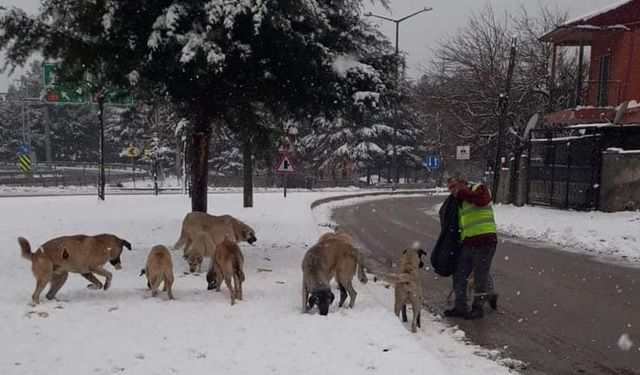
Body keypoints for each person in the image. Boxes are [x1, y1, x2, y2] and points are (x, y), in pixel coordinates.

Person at [444, 176, 498, 320]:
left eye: (454, 186)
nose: (452, 190)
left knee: (480, 277)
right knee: (459, 274)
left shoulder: (479, 189)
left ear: (463, 183)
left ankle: (478, 308)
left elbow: (482, 200)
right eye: (450, 188)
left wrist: (462, 194)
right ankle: (460, 306)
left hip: (485, 241)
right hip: (469, 243)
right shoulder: (460, 201)